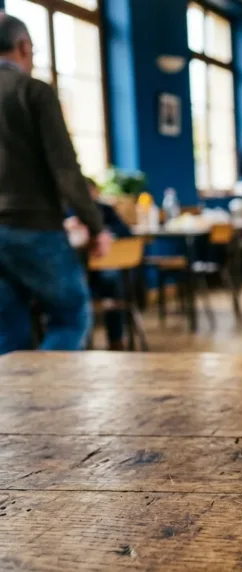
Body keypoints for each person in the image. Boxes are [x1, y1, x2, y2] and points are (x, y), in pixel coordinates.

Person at [0, 13, 112, 355]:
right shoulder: (34, 91)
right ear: (23, 47)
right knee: (71, 318)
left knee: (9, 333)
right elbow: (65, 168)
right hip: (34, 227)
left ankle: (14, 408)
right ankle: (43, 399)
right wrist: (95, 226)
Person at [65, 179, 133, 350]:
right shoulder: (67, 212)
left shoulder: (105, 209)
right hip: (76, 266)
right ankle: (80, 341)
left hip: (102, 265)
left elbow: (125, 232)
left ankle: (116, 339)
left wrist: (104, 234)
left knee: (112, 281)